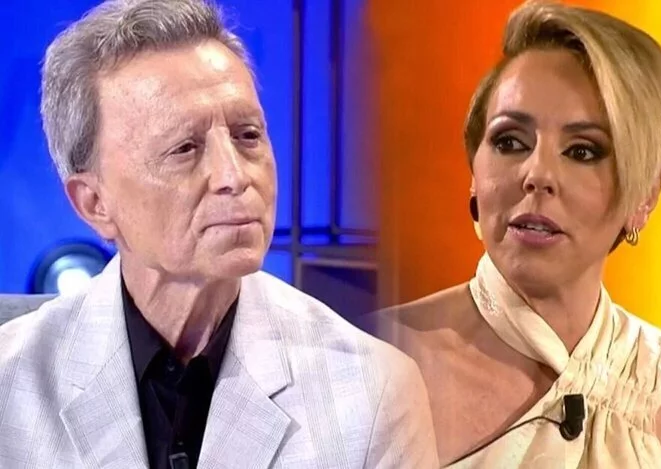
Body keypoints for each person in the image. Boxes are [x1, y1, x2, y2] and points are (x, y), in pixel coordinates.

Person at [0, 1, 438, 468]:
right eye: (184, 148)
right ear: (94, 203)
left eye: (247, 136)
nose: (234, 176)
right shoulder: (11, 386)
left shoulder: (371, 392)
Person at [371, 1, 661, 467]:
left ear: (644, 196)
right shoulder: (367, 364)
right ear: (474, 172)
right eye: (510, 142)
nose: (537, 175)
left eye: (582, 151)